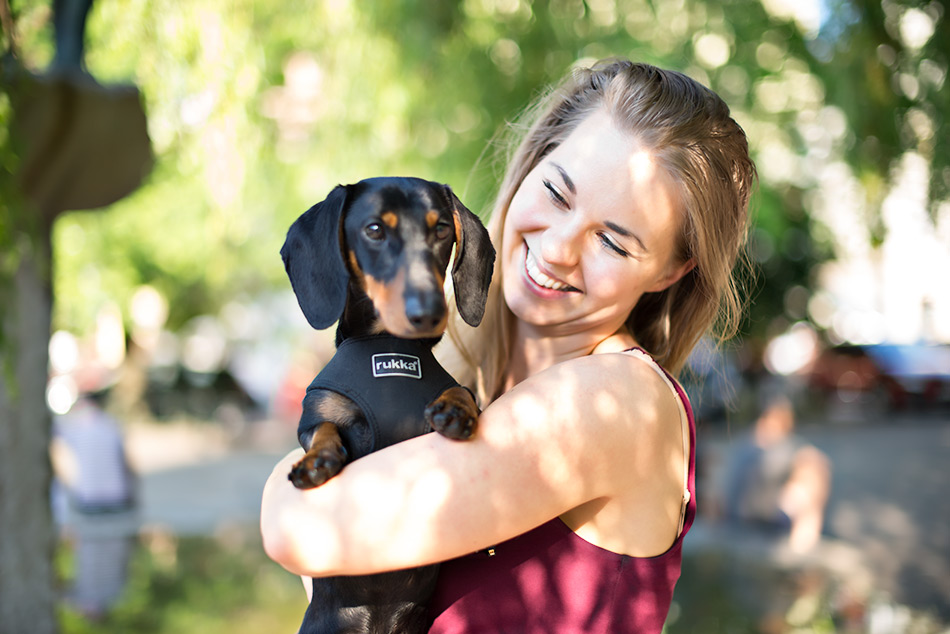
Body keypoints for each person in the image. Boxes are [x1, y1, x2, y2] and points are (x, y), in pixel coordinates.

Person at [261, 58, 755, 633]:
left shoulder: (616, 401)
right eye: (557, 193)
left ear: (671, 271)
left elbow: (302, 531)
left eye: (613, 243)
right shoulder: (454, 380)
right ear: (530, 166)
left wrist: (306, 469)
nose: (559, 249)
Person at [720, 393, 832, 553]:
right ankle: (803, 543)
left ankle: (803, 542)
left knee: (810, 471)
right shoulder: (766, 447)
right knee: (812, 474)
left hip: (742, 517)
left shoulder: (746, 444)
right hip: (754, 518)